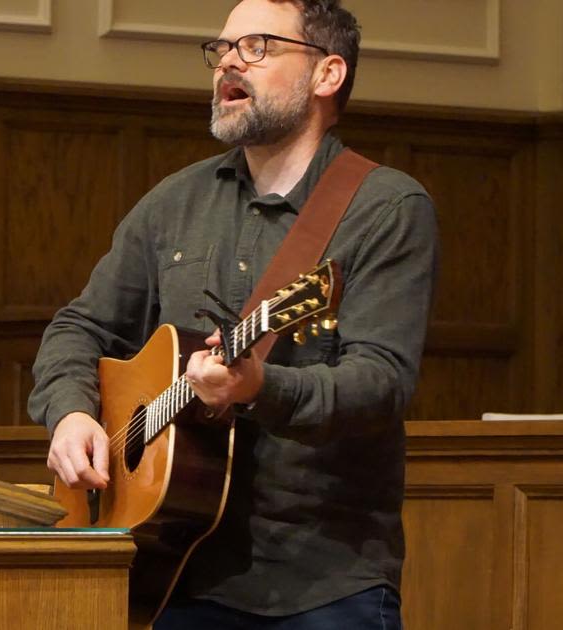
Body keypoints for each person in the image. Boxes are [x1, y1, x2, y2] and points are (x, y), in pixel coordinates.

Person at [27, 0, 438, 627]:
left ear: (327, 74)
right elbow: (81, 326)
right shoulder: (175, 201)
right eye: (222, 49)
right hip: (171, 569)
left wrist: (259, 388)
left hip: (320, 583)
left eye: (258, 47)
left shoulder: (385, 207)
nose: (228, 64)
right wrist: (71, 413)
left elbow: (381, 384)